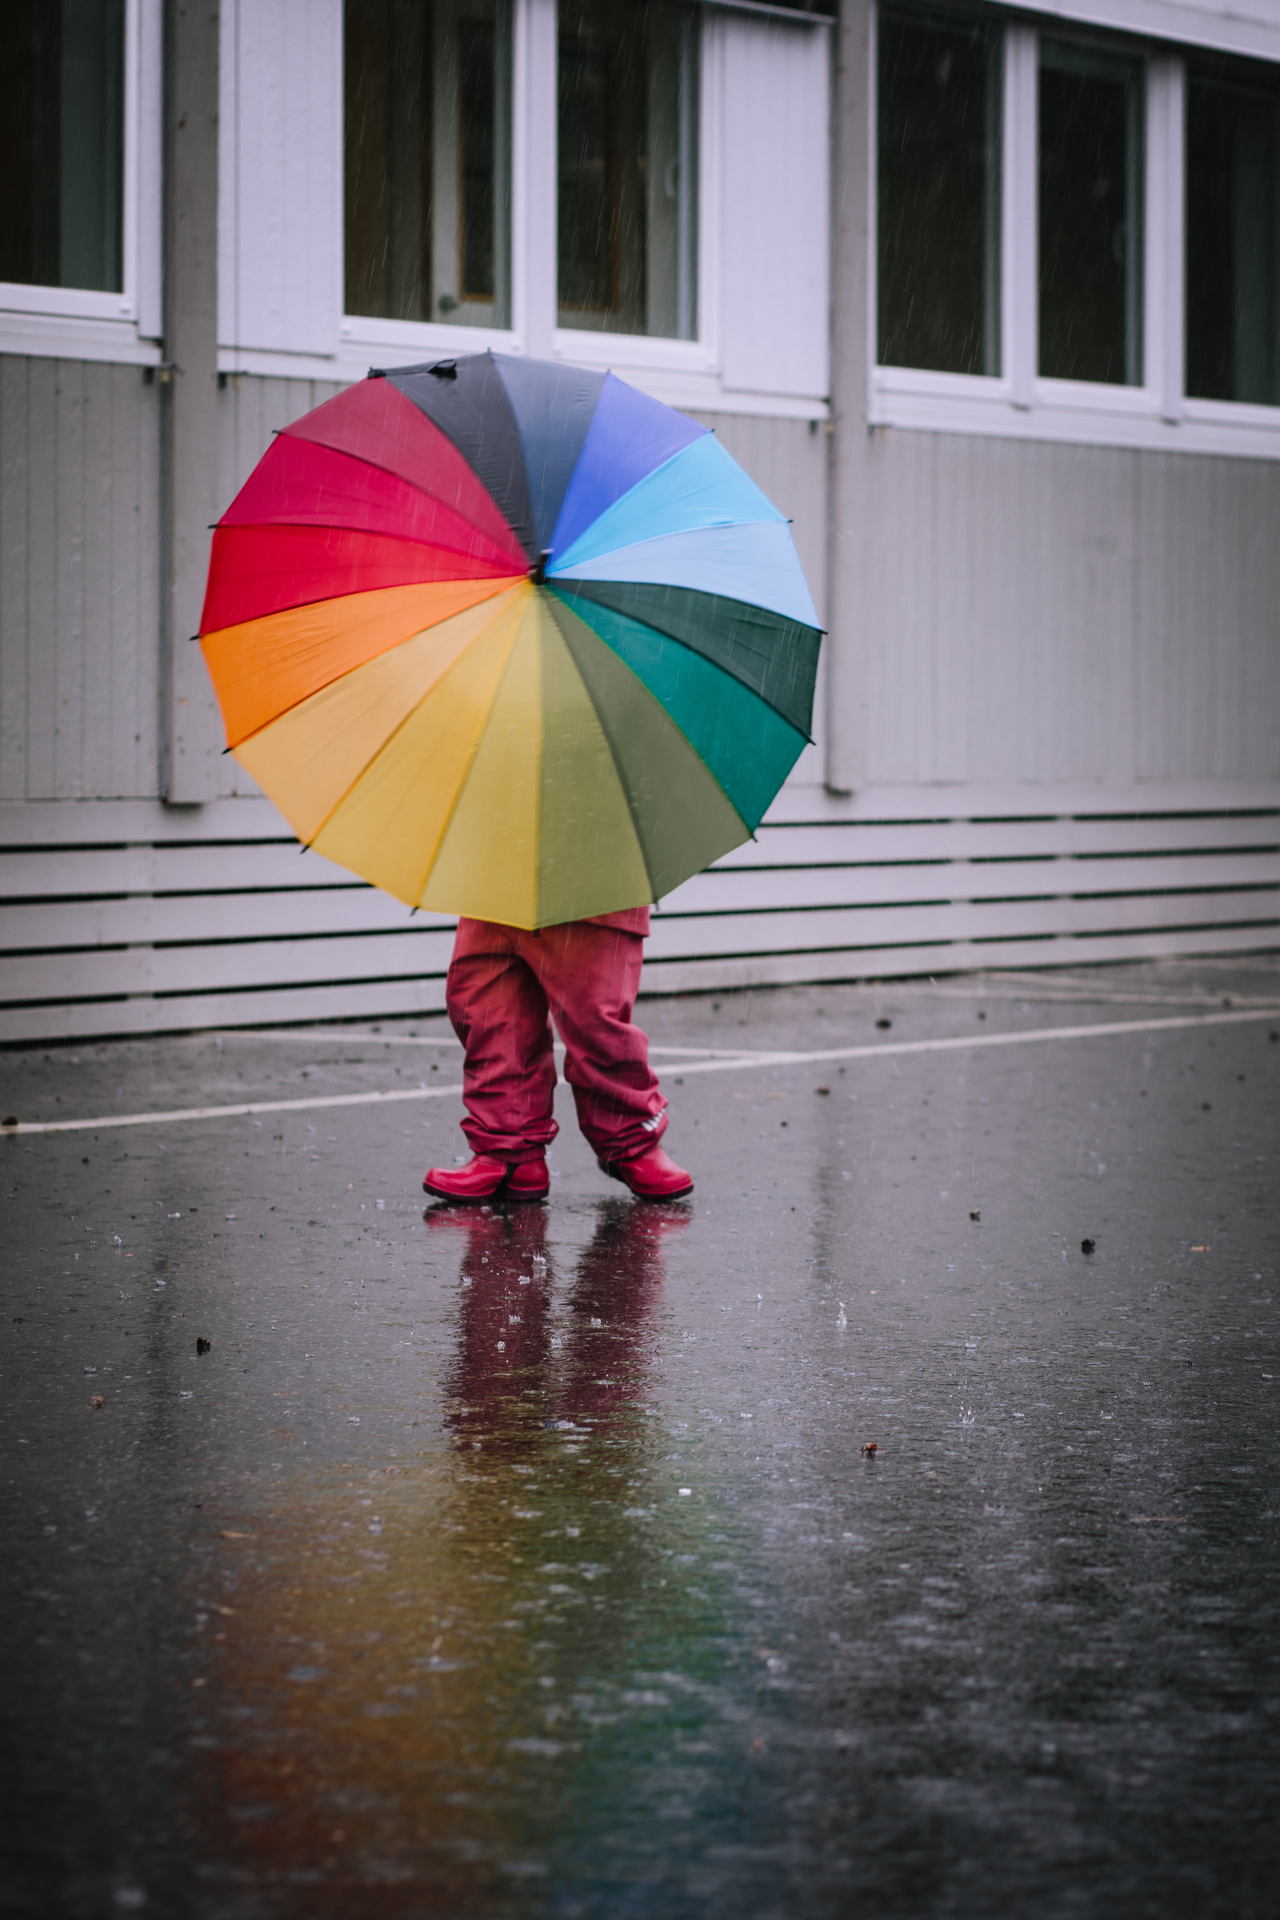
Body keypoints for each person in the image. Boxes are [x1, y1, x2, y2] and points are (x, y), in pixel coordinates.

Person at [422, 905, 693, 1204]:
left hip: (590, 889)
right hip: (496, 888)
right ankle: (510, 1151)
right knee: (491, 1015)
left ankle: (629, 1141)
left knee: (596, 1023)